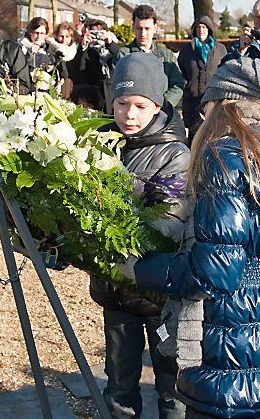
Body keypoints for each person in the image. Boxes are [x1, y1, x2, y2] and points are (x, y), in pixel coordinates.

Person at [126, 57, 260, 419]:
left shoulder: (224, 156)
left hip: (231, 338)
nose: (202, 119)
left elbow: (214, 273)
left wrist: (138, 269)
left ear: (225, 106)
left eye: (207, 109)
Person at [92, 52, 190, 419]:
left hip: (159, 293)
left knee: (172, 385)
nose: (128, 115)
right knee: (119, 381)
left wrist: (114, 186)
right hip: (116, 291)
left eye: (139, 105)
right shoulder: (99, 144)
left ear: (158, 105)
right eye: (121, 104)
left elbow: (168, 220)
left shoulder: (175, 153)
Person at [112, 5, 186, 108]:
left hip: (162, 113)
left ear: (155, 28)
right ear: (133, 27)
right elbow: (119, 87)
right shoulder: (124, 55)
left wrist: (161, 105)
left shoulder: (167, 55)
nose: (143, 33)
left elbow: (178, 85)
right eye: (139, 28)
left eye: (147, 28)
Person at [176, 16, 226, 140]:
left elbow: (225, 71)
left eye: (204, 27)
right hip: (192, 103)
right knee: (194, 139)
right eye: (198, 27)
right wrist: (187, 86)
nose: (201, 30)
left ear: (209, 29)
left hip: (214, 102)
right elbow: (180, 70)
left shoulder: (220, 49)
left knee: (213, 138)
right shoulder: (186, 50)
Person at [68, 18, 120, 110]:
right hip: (93, 97)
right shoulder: (86, 51)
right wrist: (83, 46)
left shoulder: (112, 49)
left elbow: (121, 58)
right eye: (94, 33)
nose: (97, 36)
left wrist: (110, 44)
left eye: (100, 33)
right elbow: (78, 68)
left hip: (111, 95)